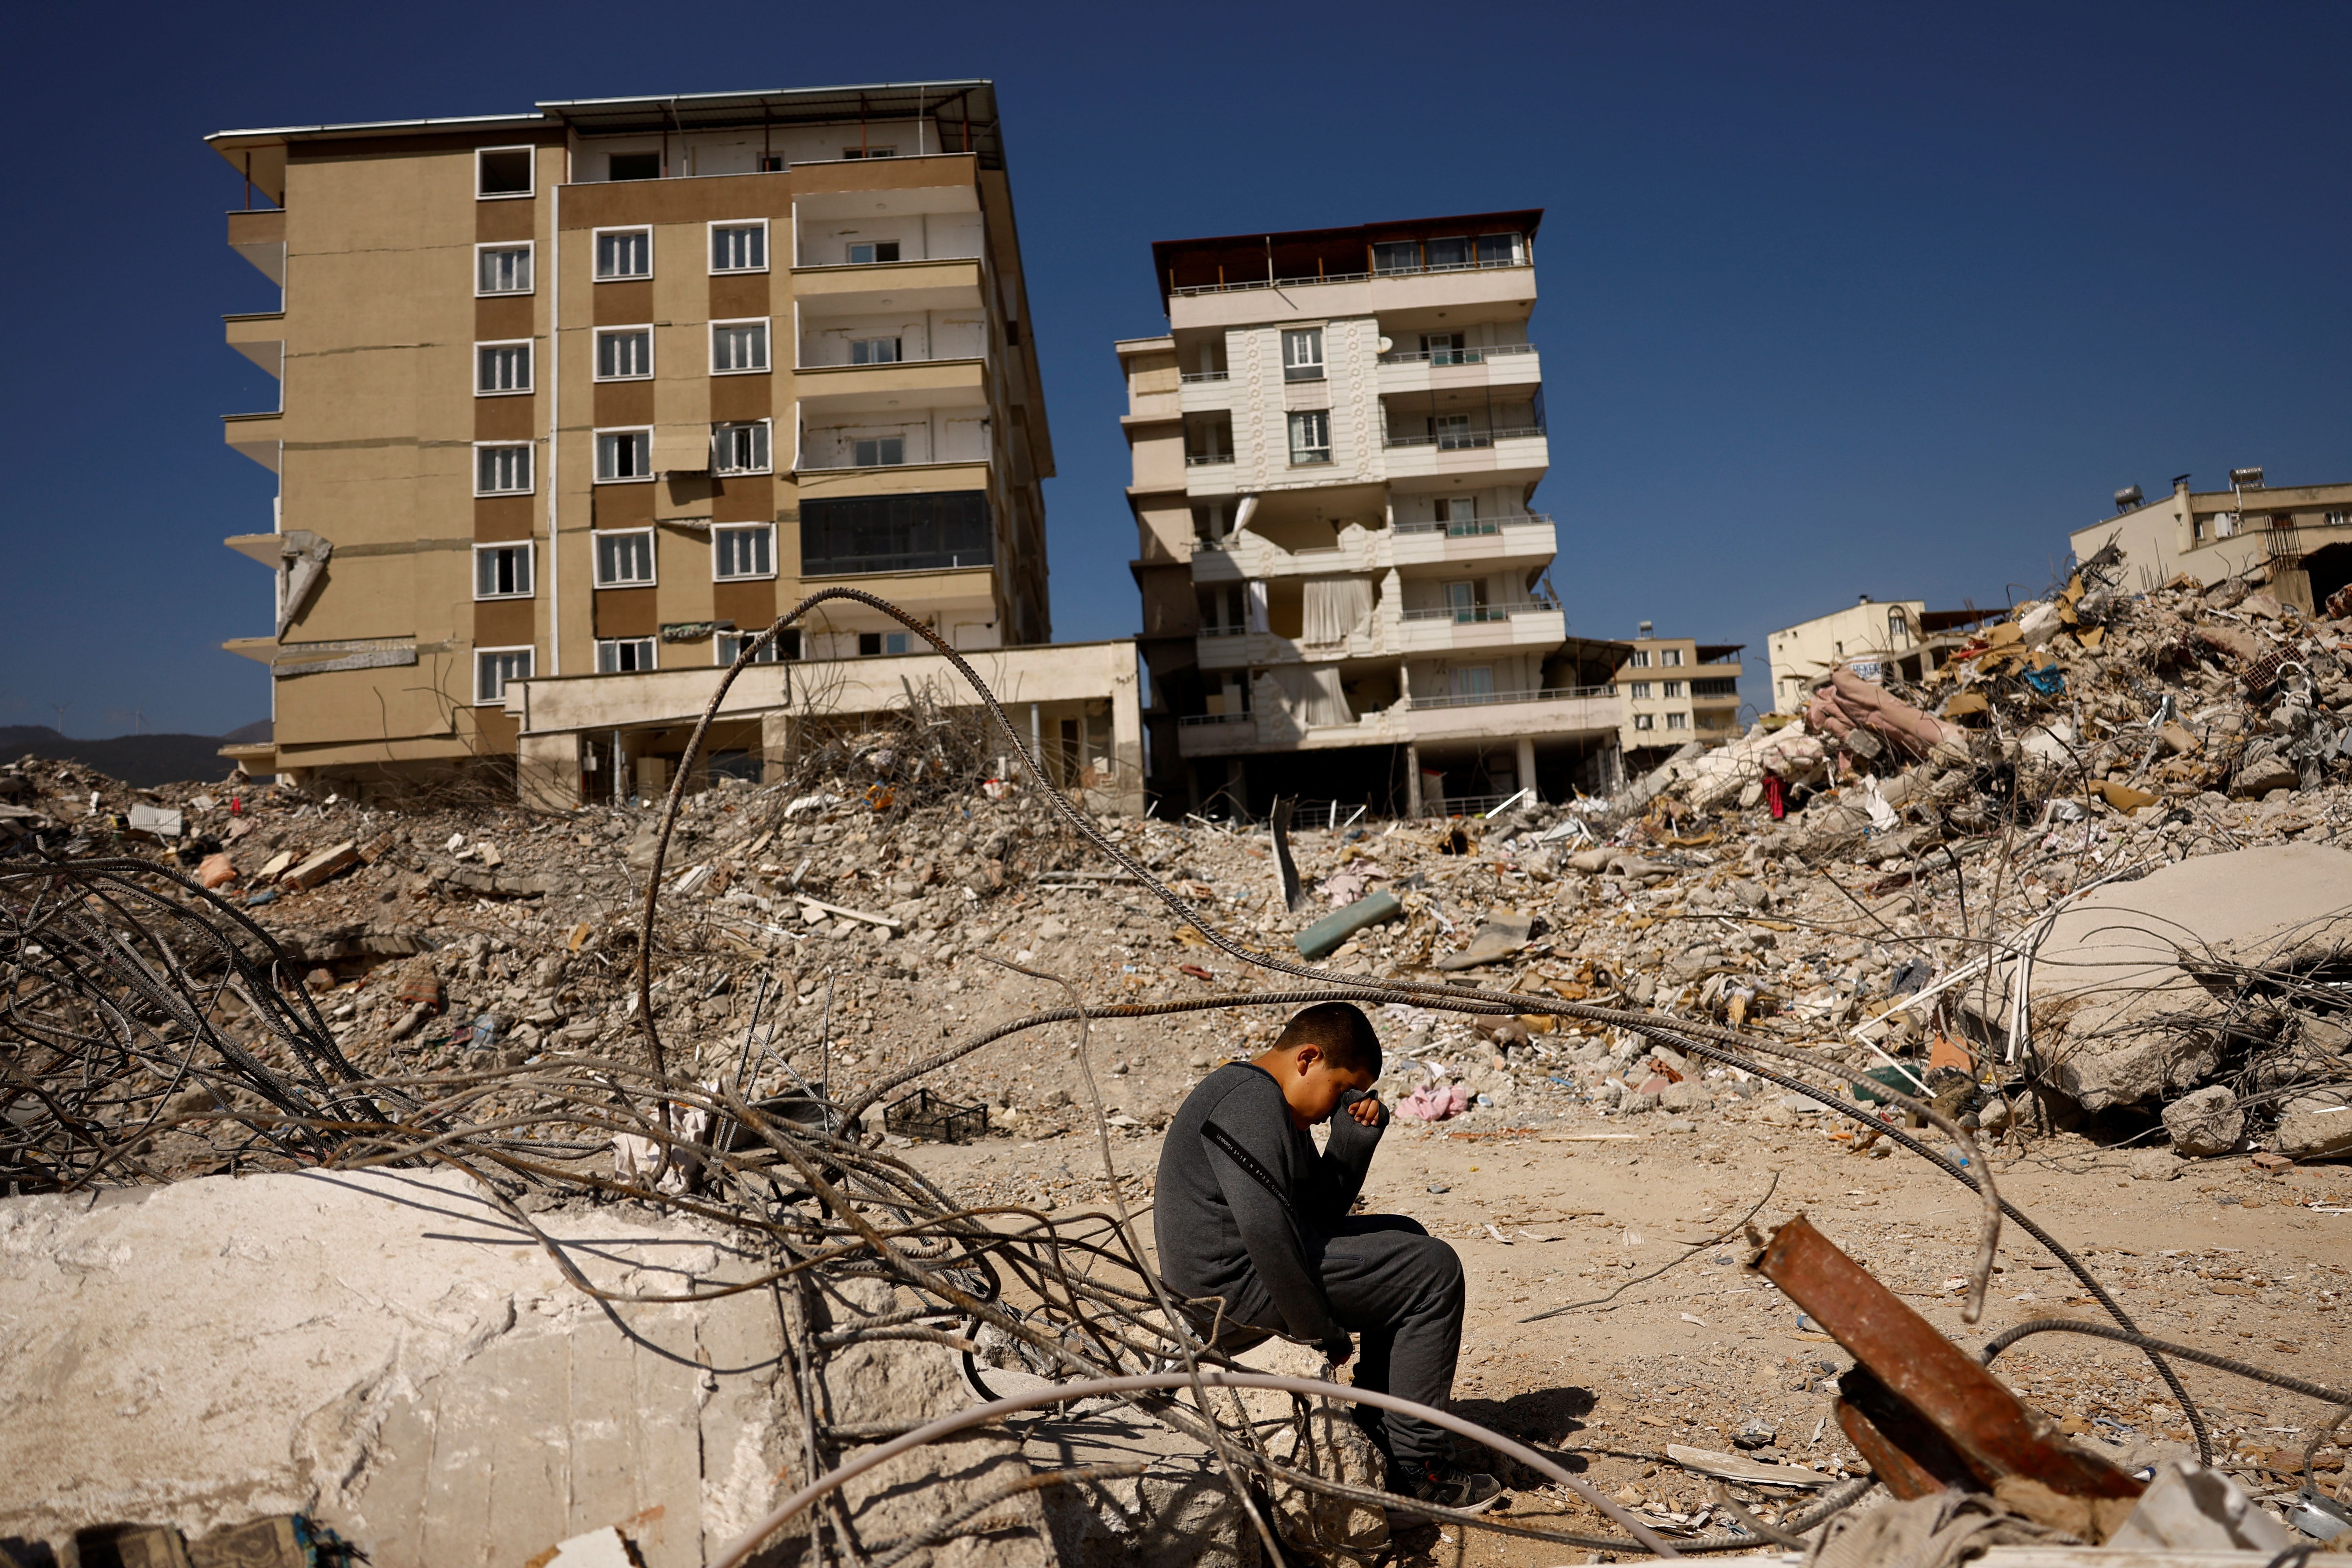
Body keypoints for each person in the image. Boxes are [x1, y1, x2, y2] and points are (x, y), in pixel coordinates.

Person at [1153, 1001, 1501, 1510]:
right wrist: (1320, 1331)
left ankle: (1379, 1423)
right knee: (1434, 1272)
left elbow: (1313, 1215)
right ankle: (1421, 1470)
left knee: (1410, 1238)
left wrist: (1353, 1141)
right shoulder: (1248, 1102)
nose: (1337, 1104)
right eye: (1341, 1088)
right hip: (1230, 1295)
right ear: (1308, 1058)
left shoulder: (1268, 1099)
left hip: (1244, 1279)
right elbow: (1268, 1231)